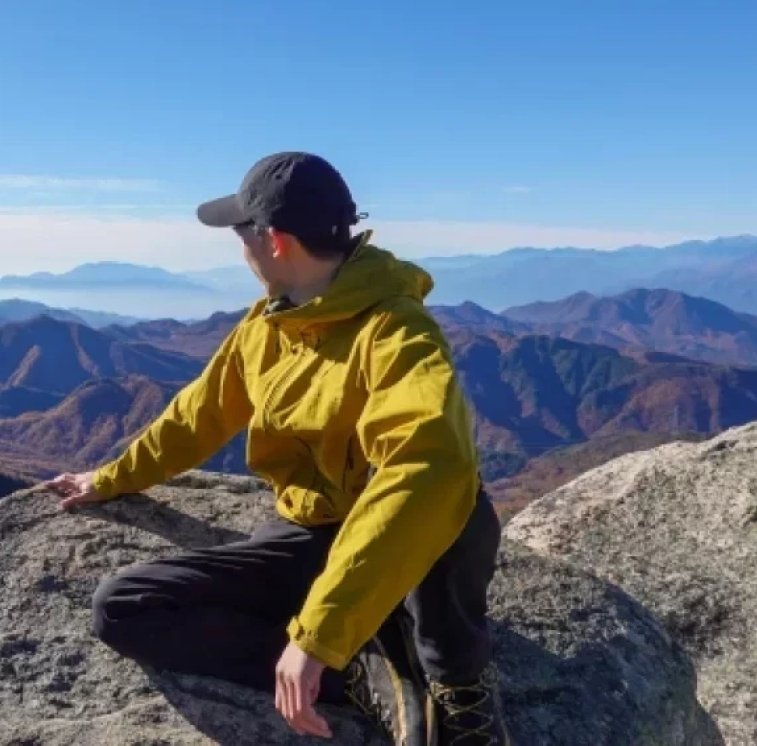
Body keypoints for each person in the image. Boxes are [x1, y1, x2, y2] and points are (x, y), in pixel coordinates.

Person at [46, 152, 510, 745]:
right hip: (316, 530)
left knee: (450, 510)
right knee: (124, 607)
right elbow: (200, 413)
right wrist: (112, 478)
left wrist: (317, 633)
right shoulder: (267, 325)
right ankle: (365, 670)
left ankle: (457, 689)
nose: (239, 248)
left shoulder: (395, 331)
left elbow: (428, 465)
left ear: (274, 241)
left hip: (409, 532)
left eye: (242, 232)